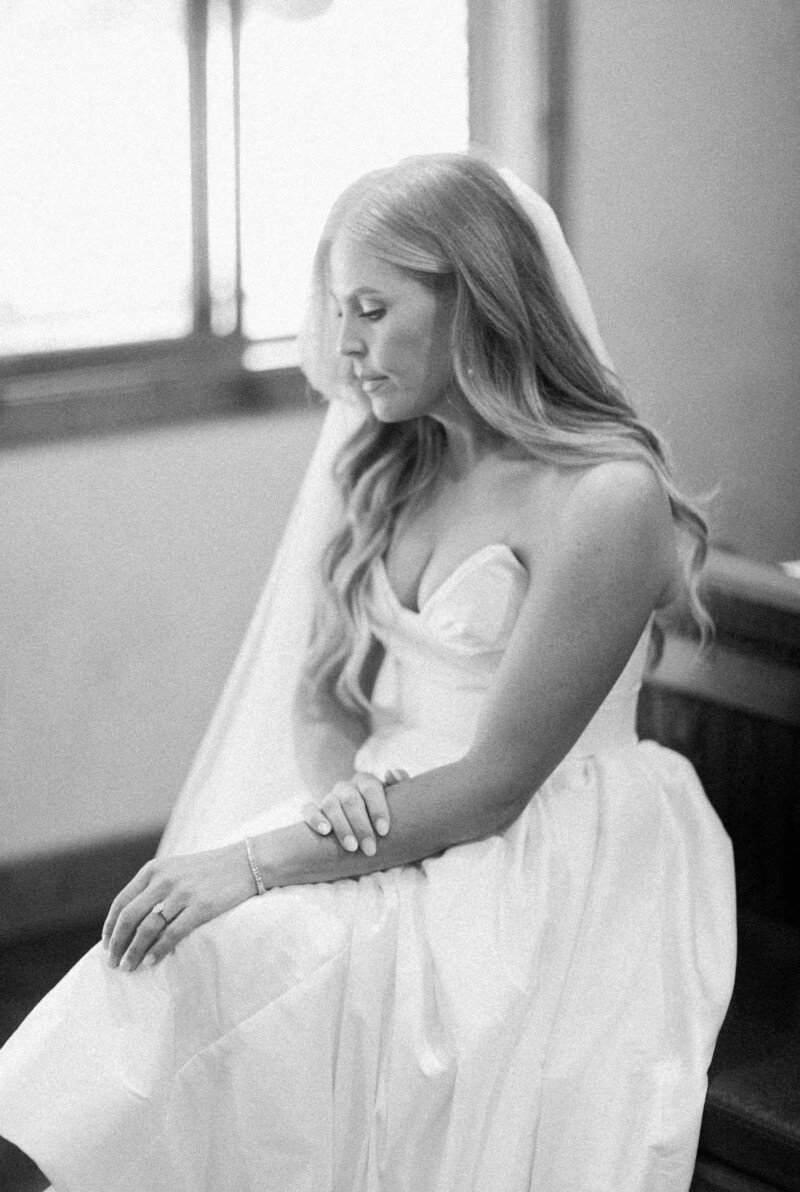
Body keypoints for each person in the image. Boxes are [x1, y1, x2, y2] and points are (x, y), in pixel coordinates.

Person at [0, 153, 735, 1192]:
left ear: (474, 299)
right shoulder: (396, 464)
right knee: (171, 967)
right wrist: (338, 791)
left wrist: (259, 860)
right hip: (377, 806)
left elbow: (497, 785)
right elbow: (320, 695)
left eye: (372, 309)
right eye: (337, 309)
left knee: (238, 959)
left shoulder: (603, 498)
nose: (342, 345)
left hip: (543, 838)